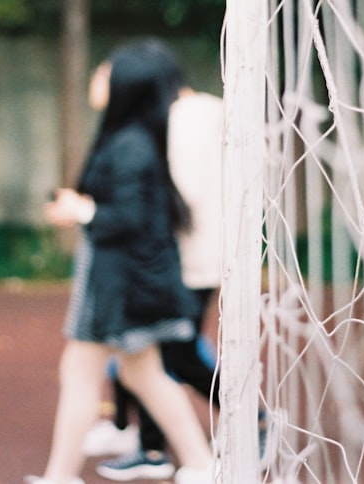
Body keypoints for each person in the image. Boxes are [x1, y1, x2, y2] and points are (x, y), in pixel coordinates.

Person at [27, 42, 214, 484]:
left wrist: (83, 212)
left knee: (84, 371)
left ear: (125, 88)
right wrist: (83, 206)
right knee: (143, 372)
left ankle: (61, 476)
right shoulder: (134, 139)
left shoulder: (130, 144)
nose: (97, 78)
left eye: (105, 74)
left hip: (119, 283)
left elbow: (130, 219)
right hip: (121, 280)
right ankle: (202, 465)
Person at [84, 41, 225, 482]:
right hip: (196, 254)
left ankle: (255, 420)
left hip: (186, 257)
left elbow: (179, 193)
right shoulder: (205, 112)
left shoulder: (182, 121)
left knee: (174, 355)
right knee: (150, 353)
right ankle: (147, 444)